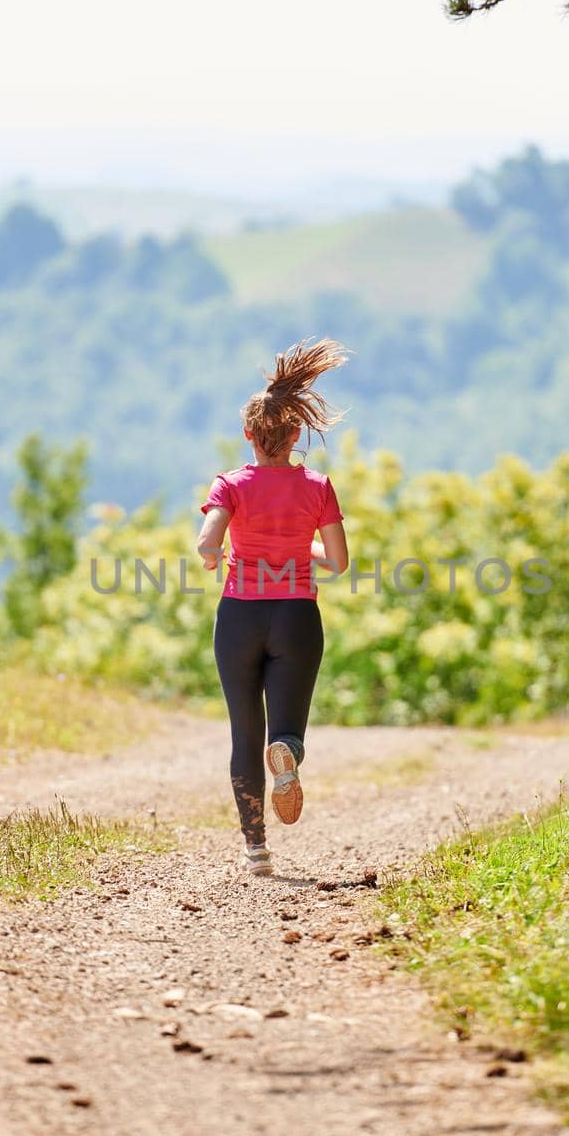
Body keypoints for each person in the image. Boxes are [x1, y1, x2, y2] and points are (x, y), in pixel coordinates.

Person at [196, 338, 350, 875]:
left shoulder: (231, 484)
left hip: (239, 617)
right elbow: (338, 561)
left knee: (243, 732)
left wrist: (215, 552)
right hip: (295, 618)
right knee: (285, 730)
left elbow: (207, 541)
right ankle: (286, 755)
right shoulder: (316, 487)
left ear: (249, 435)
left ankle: (256, 848)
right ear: (295, 435)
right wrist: (297, 547)